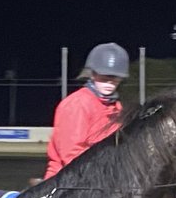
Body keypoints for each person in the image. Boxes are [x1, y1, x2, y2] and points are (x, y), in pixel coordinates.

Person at [43, 42, 130, 179]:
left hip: (102, 179)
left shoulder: (116, 106)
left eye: (115, 78)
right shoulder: (77, 104)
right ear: (92, 74)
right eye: (104, 76)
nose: (109, 82)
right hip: (68, 182)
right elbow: (72, 154)